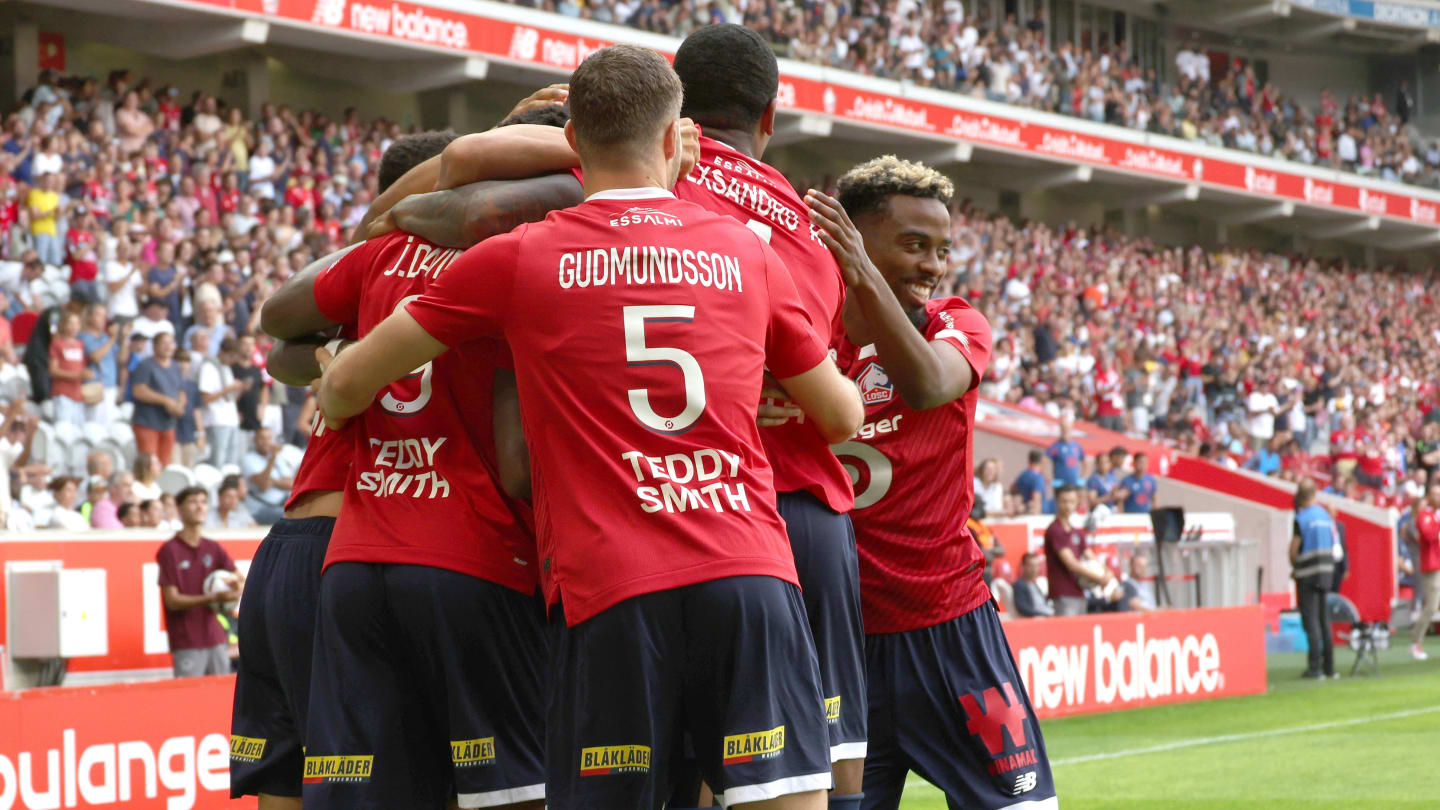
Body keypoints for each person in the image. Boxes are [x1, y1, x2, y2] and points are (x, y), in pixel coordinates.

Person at [315, 45, 860, 810]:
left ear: (572, 140)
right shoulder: (744, 250)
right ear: (674, 138)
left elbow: (346, 381)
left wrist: (333, 389)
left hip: (609, 588)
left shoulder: (519, 257)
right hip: (745, 573)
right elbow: (841, 414)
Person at [813, 156, 1056, 809]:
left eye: (942, 249)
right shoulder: (803, 336)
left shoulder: (956, 323)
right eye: (914, 244)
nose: (933, 265)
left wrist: (867, 279)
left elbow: (926, 383)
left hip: (949, 625)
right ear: (853, 239)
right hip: (839, 640)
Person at [155, 486, 241, 677]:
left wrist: (234, 589)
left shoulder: (213, 547)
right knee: (190, 694)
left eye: (203, 502)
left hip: (216, 638)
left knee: (221, 693)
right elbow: (172, 600)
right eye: (193, 502)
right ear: (179, 509)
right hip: (187, 640)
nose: (200, 507)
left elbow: (240, 579)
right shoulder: (170, 551)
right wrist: (212, 598)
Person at [1290, 479, 1337, 679]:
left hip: (1308, 573)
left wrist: (1295, 566)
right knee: (1324, 619)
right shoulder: (1325, 516)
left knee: (1311, 621)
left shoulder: (1302, 518)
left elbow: (1294, 549)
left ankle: (1315, 667)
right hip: (1326, 572)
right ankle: (1330, 667)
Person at [1044, 485, 1108, 616]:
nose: (1068, 506)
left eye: (1071, 502)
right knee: (1066, 629)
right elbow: (1071, 564)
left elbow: (1089, 555)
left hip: (1080, 590)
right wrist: (1099, 578)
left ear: (1077, 503)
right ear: (1057, 502)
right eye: (1064, 501)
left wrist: (1106, 572)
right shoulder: (1055, 530)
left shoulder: (1077, 532)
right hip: (1063, 593)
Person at [129, 331, 184, 465]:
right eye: (164, 343)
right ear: (154, 346)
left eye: (171, 343)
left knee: (164, 464)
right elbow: (138, 391)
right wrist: (165, 401)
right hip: (147, 422)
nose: (168, 347)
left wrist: (180, 405)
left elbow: (181, 390)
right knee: (149, 464)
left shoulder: (176, 366)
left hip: (168, 423)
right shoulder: (145, 365)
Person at [198, 336, 245, 468]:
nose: (232, 361)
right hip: (216, 420)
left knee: (231, 462)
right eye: (231, 356)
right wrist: (228, 388)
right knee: (217, 461)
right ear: (223, 352)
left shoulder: (226, 368)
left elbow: (229, 398)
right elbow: (205, 398)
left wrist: (239, 389)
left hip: (231, 420)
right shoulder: (209, 366)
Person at [1410, 482, 1440, 660]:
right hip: (1432, 565)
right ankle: (1416, 641)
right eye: (1435, 494)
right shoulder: (1425, 515)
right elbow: (1429, 536)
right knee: (1431, 606)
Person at [241, 426, 294, 525]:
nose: (266, 442)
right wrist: (272, 459)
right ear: (255, 440)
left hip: (281, 505)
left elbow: (291, 484)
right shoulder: (248, 459)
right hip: (260, 508)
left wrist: (273, 481)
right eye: (262, 438)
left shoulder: (279, 458)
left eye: (269, 438)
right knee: (292, 516)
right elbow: (263, 485)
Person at [47, 311, 89, 426]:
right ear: (64, 325)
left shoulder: (80, 344)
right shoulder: (57, 344)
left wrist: (86, 374)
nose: (74, 327)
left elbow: (81, 366)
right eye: (70, 323)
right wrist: (77, 375)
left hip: (77, 394)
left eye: (76, 323)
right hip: (62, 393)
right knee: (63, 427)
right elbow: (53, 370)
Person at [1045, 415, 1084, 489]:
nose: (1065, 431)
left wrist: (1083, 478)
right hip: (1060, 485)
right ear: (1061, 429)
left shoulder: (1077, 446)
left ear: (1071, 428)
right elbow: (1043, 462)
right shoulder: (1055, 446)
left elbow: (1086, 462)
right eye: (1063, 428)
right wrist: (1048, 479)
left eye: (1067, 428)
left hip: (1073, 484)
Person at [1013, 552, 1054, 617]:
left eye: (1037, 566)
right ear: (1023, 566)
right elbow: (1023, 608)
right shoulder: (1019, 585)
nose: (1034, 569)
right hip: (1038, 618)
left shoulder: (1034, 584)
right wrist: (1044, 613)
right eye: (1031, 566)